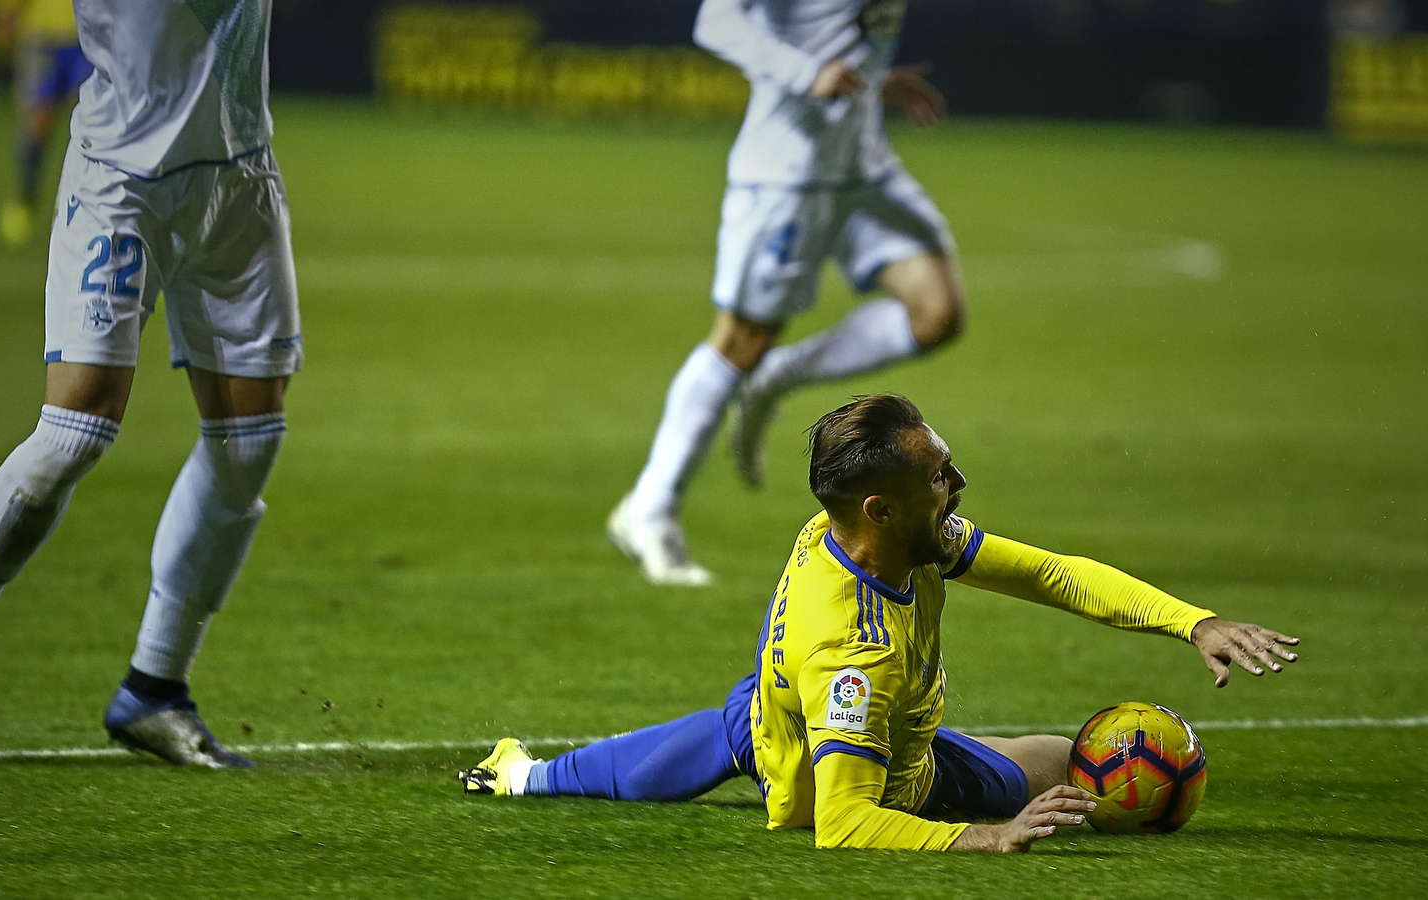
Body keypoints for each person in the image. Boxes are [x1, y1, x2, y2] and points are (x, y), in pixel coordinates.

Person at [469, 395, 1300, 851]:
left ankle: (525, 775)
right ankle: (538, 777)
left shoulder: (888, 537)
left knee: (749, 715)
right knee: (1059, 773)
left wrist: (1192, 622)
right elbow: (842, 824)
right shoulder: (853, 658)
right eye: (942, 476)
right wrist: (985, 837)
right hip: (881, 767)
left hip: (785, 706)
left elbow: (1049, 572)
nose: (960, 482)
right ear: (881, 508)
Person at [0, 0, 301, 768]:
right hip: (125, 181)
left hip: (239, 175)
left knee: (250, 440)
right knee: (74, 430)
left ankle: (155, 686)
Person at [607, 0, 960, 586]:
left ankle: (777, 377)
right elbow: (715, 21)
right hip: (788, 173)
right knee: (742, 338)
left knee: (937, 312)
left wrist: (871, 85)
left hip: (863, 163)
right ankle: (649, 506)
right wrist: (807, 73)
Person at [0, 0, 93, 249]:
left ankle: (89, 203)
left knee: (90, 122)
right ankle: (26, 198)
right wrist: (7, 13)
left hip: (88, 34)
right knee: (38, 123)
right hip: (42, 35)